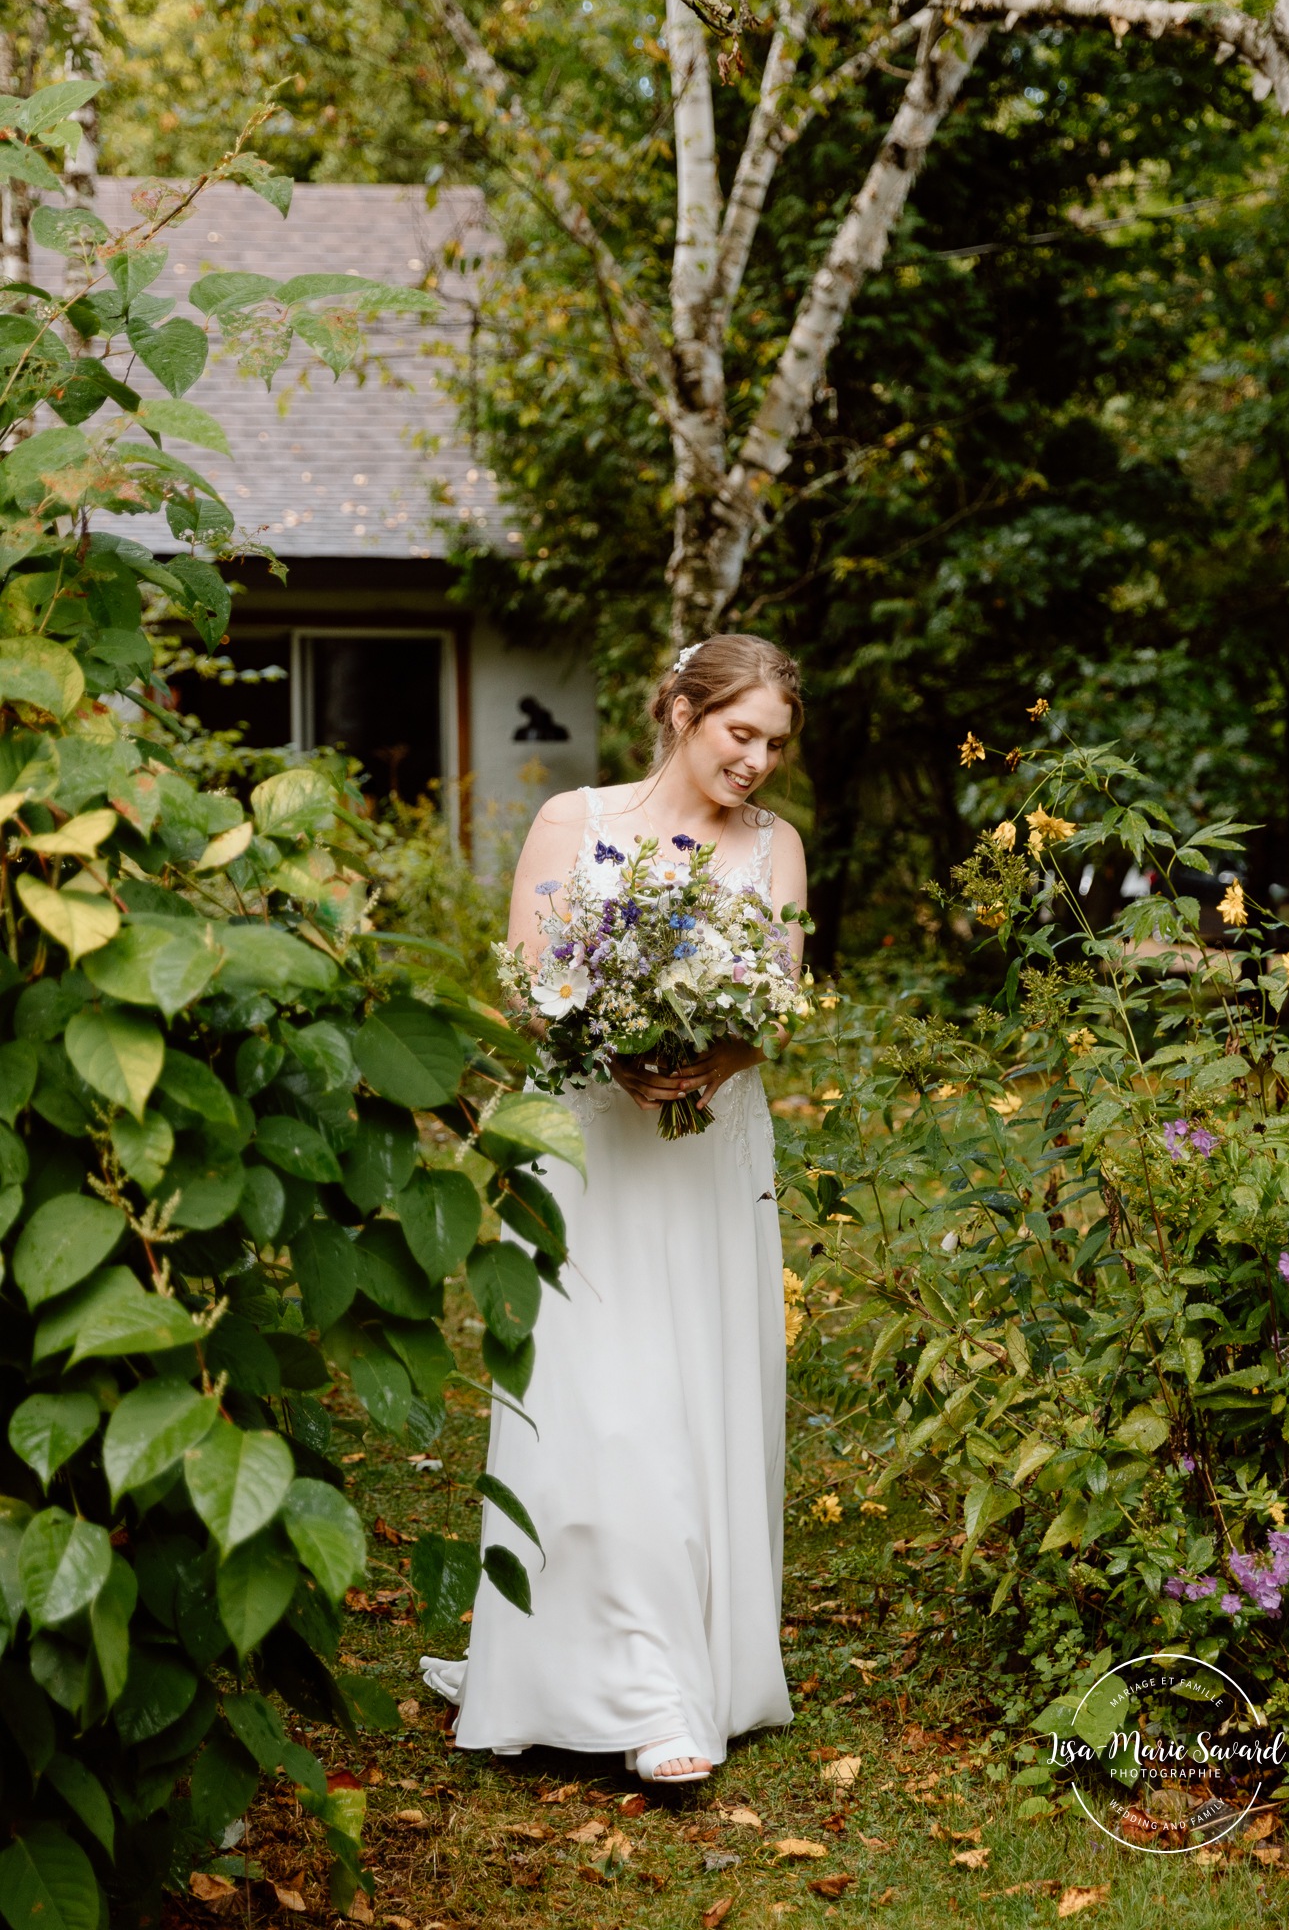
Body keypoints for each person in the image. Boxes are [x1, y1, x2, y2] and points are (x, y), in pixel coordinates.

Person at [420, 633, 807, 1783]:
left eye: (776, 744)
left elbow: (775, 995)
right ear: (681, 710)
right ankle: (622, 1679)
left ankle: (684, 1665)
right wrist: (614, 1048)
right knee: (598, 1399)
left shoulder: (774, 847)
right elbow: (536, 983)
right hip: (590, 1143)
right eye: (741, 733)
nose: (757, 762)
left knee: (693, 1393)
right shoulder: (571, 822)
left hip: (704, 1149)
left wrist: (709, 1058)